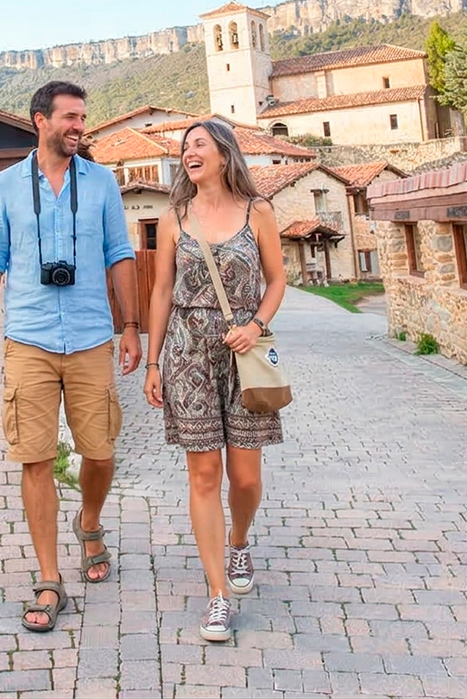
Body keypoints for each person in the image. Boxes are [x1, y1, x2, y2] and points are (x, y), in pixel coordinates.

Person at [0, 81, 143, 633]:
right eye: (70, 117)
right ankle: (49, 578)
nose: (79, 126)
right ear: (40, 120)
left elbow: (120, 254)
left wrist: (132, 326)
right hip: (29, 339)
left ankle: (89, 521)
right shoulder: (3, 186)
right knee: (35, 457)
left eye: (83, 117)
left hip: (93, 336)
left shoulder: (101, 184)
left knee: (100, 452)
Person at [143, 117, 287, 643]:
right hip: (188, 355)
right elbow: (161, 291)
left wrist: (255, 326)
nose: (189, 152)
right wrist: (154, 361)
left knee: (244, 479)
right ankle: (218, 593)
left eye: (199, 144)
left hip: (244, 353)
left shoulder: (259, 212)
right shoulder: (175, 217)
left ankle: (240, 538)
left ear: (224, 155)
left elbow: (277, 280)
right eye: (185, 147)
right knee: (203, 476)